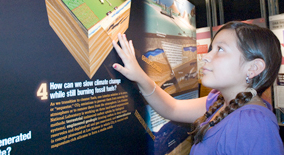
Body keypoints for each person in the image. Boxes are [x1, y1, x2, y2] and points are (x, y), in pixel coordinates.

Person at [112, 21, 284, 154]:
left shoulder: (254, 124)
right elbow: (173, 108)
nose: (207, 57)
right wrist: (139, 76)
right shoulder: (222, 102)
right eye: (211, 48)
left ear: (253, 68)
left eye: (220, 49)